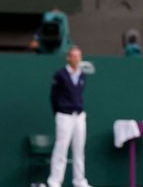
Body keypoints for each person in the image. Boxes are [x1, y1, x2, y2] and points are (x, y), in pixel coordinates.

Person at [47, 45, 91, 187]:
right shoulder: (60, 75)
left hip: (79, 116)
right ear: (68, 57)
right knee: (61, 148)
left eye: (79, 56)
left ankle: (79, 181)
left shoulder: (82, 75)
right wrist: (59, 112)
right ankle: (54, 181)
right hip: (64, 116)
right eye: (74, 56)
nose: (77, 59)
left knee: (79, 150)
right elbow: (53, 97)